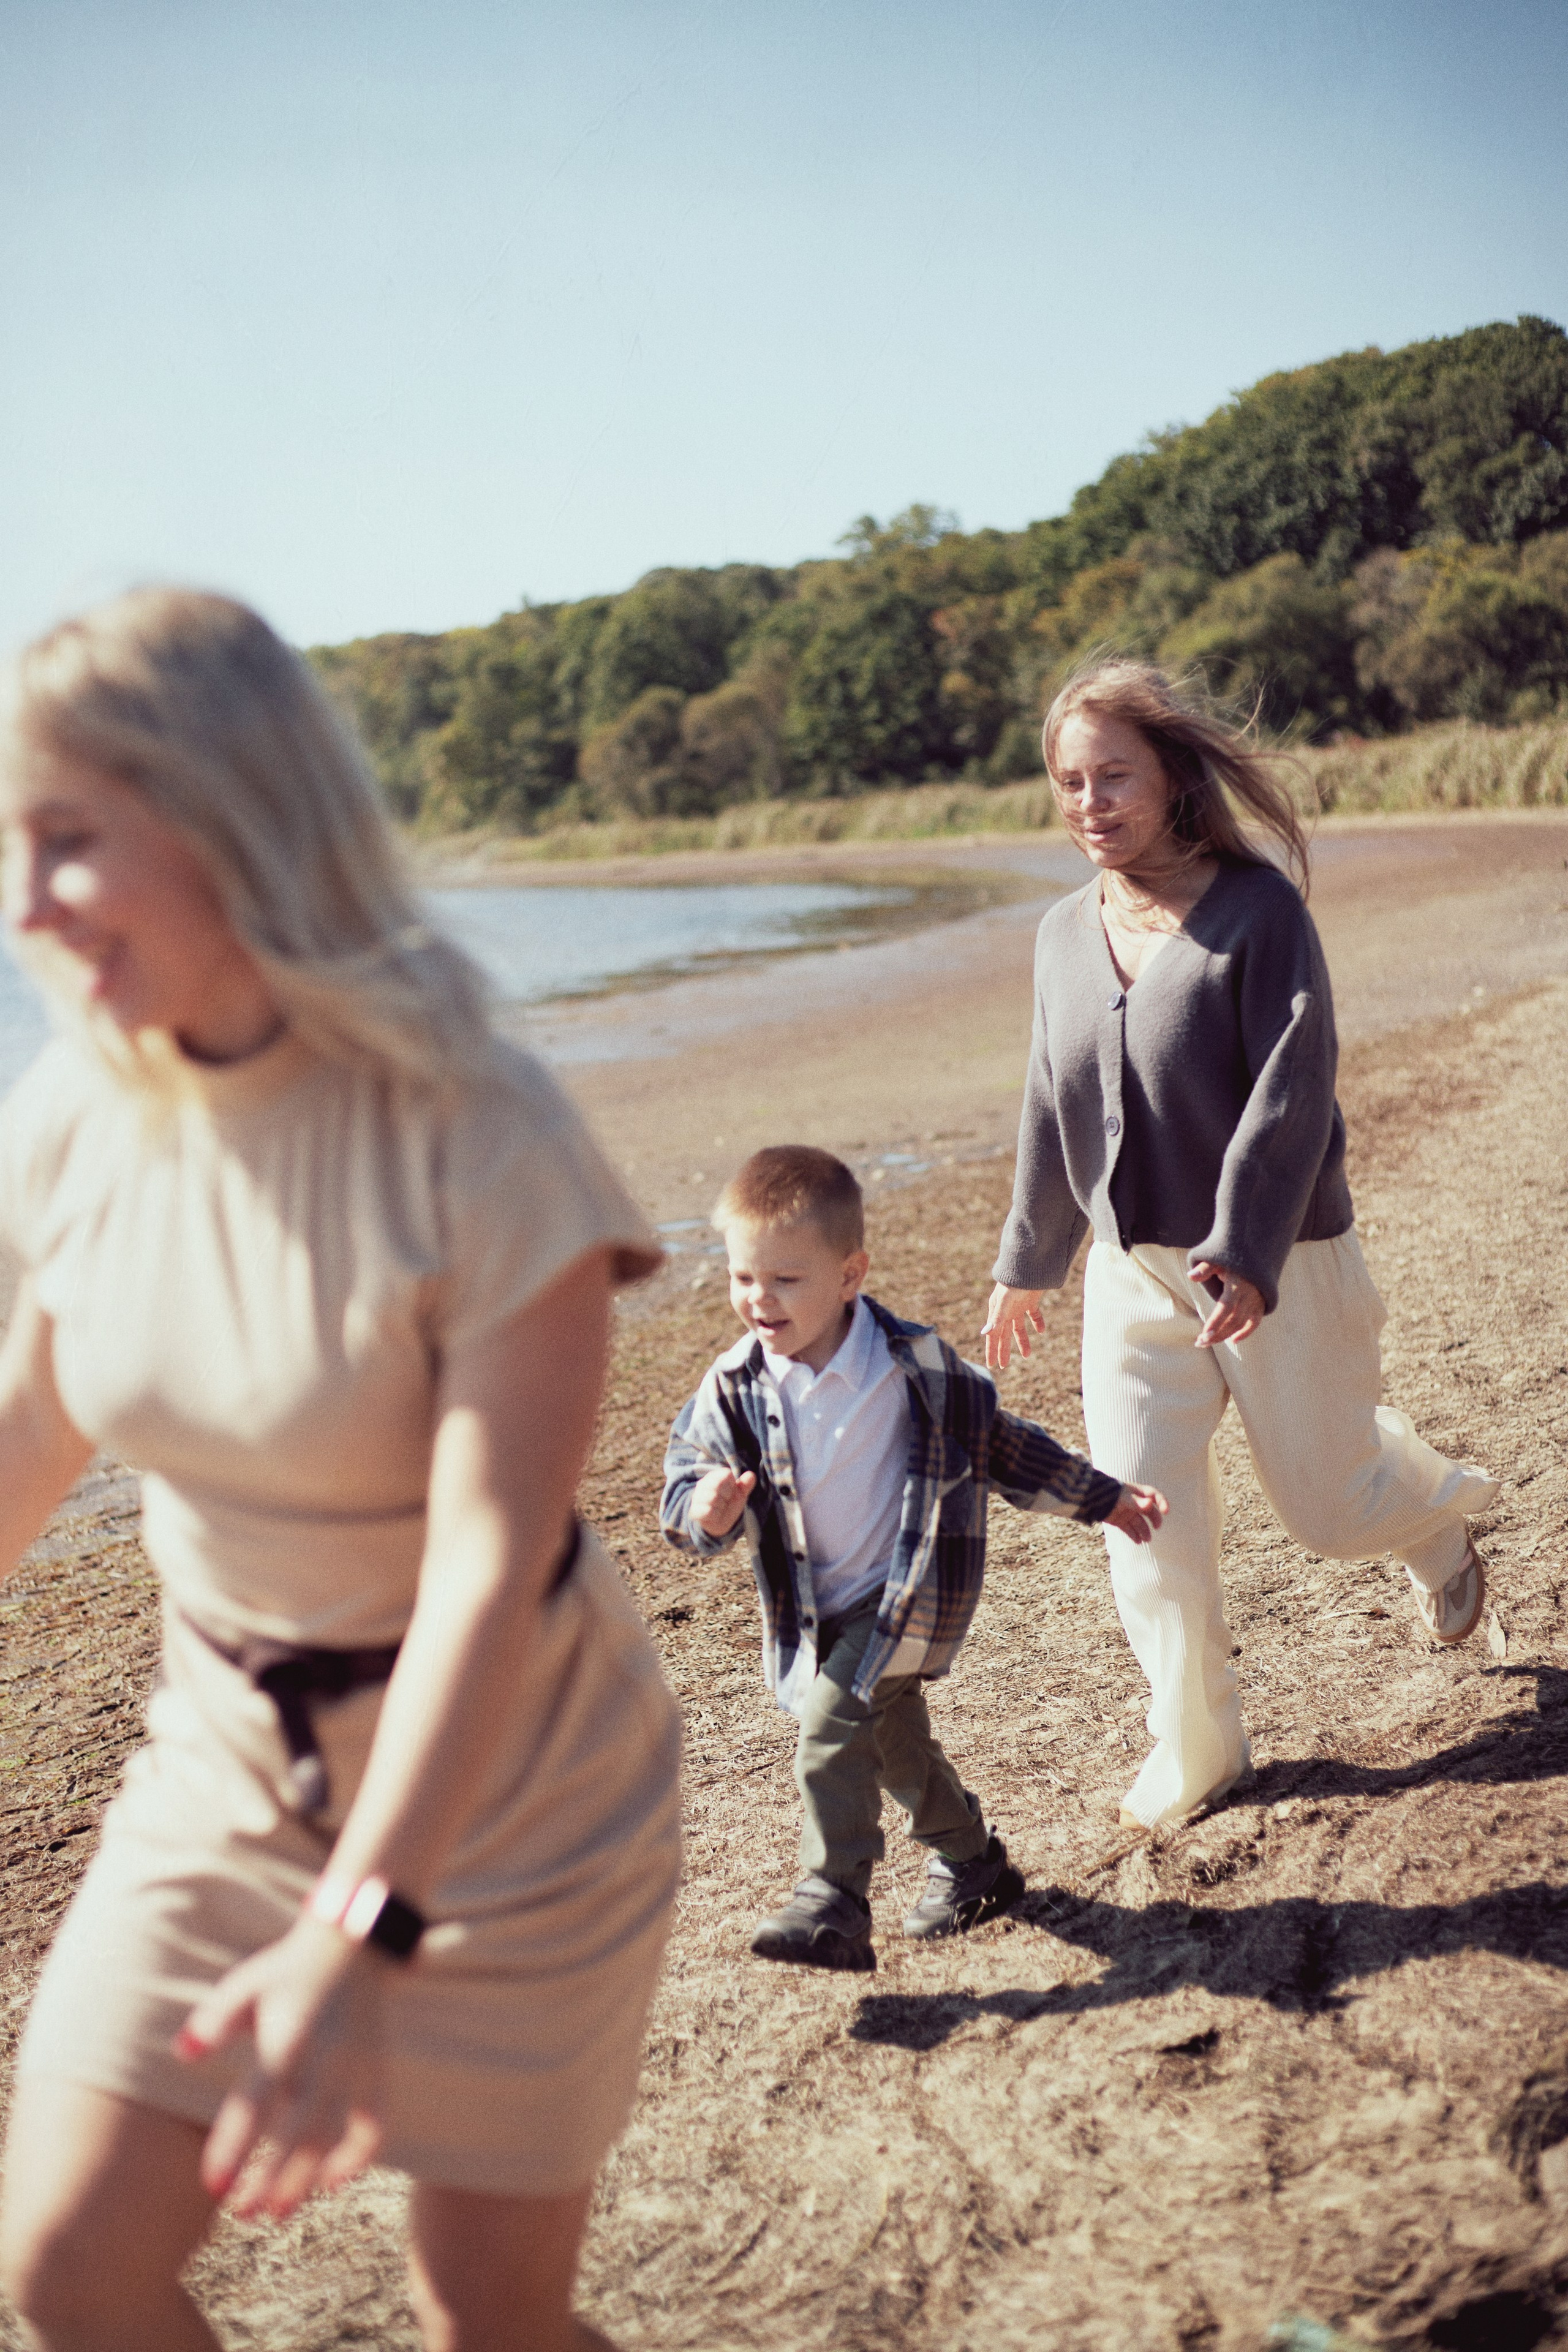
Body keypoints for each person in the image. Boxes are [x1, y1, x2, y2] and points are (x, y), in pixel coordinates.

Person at [0, 589, 682, 2352]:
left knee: (487, 2320)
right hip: (220, 1769)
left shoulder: (480, 1133)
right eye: (10, 842)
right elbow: (23, 1441)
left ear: (227, 811)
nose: (21, 903)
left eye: (66, 839)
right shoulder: (78, 1111)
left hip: (521, 1797)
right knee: (66, 2272)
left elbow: (482, 1566)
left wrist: (362, 1926)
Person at [982, 657, 1499, 1833]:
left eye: (1113, 776)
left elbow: (1294, 1090)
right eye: (1069, 782)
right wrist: (1030, 1257)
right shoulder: (1063, 934)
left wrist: (1246, 1248)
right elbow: (1046, 1097)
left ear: (1172, 776)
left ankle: (1434, 1519)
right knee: (1141, 1513)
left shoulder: (1260, 913)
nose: (1089, 803)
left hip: (1278, 1263)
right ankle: (1200, 1743)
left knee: (1330, 1510)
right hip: (1133, 1272)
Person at [660, 1145, 1164, 1972]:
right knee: (894, 1743)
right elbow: (682, 1490)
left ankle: (833, 1897)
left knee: (832, 1722)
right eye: (744, 1277)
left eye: (786, 1279)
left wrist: (1103, 1497)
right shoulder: (735, 1388)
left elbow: (1005, 1450)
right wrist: (705, 1510)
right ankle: (974, 1864)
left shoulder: (916, 1370)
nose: (759, 1299)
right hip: (815, 1612)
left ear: (850, 1274)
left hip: (905, 1599)